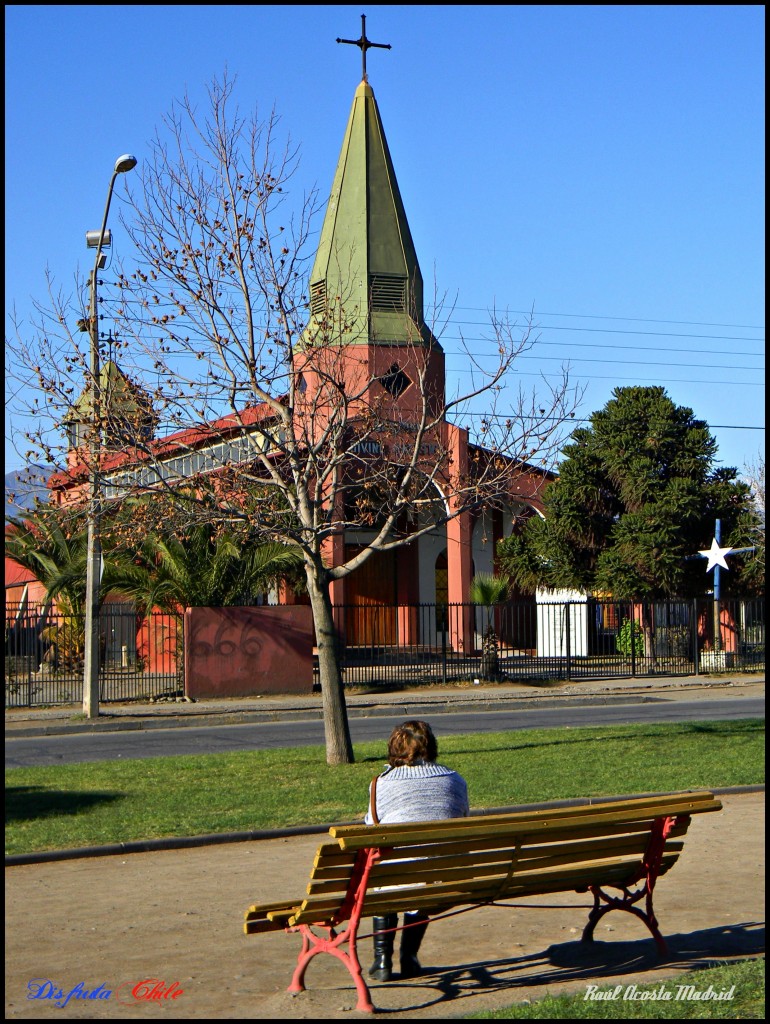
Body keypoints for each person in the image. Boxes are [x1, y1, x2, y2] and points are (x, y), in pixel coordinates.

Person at [365, 719, 469, 983]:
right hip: (441, 878)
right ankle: (409, 956)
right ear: (431, 746)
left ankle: (382, 960)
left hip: (396, 877)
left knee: (385, 877)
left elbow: (371, 827)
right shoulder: (455, 780)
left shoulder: (381, 784)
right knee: (423, 873)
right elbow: (462, 817)